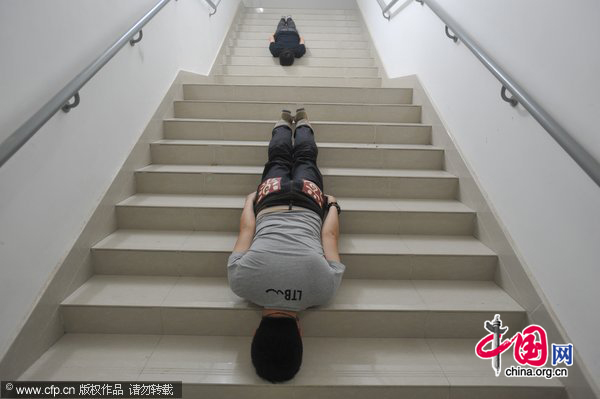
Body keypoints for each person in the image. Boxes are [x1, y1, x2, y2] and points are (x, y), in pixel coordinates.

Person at [227, 108, 345, 383]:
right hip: (270, 198)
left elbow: (329, 238)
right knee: (278, 158)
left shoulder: (324, 291)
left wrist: (334, 205)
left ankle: (303, 122)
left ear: (300, 333)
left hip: (309, 199)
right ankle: (282, 123)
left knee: (305, 158)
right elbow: (247, 229)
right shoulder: (240, 284)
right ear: (256, 332)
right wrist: (249, 201)